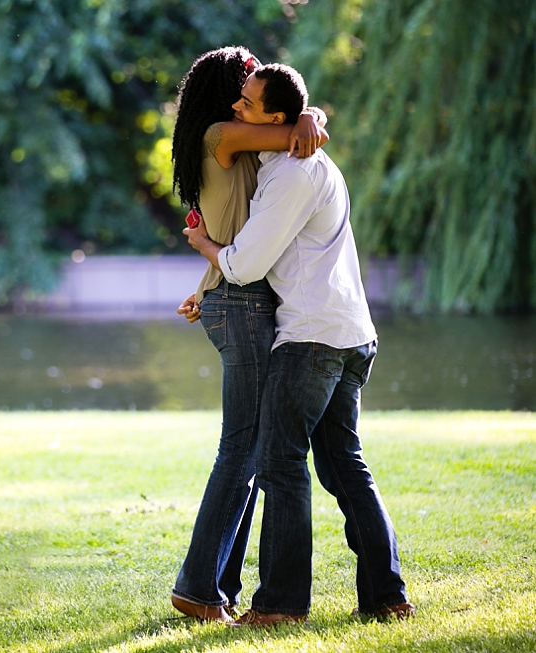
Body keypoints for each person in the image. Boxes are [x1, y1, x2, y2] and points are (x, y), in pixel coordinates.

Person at [184, 63, 414, 626]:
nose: (238, 109)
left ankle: (282, 605)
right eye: (237, 98)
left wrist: (206, 248)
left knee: (280, 464)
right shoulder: (300, 161)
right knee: (345, 467)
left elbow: (245, 264)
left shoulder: (292, 171)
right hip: (350, 333)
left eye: (248, 103)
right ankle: (387, 596)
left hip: (311, 337)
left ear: (277, 118)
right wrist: (312, 117)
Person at [168, 46, 328, 624]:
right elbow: (291, 132)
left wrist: (205, 278)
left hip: (233, 296)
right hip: (239, 302)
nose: (249, 93)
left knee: (251, 449)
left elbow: (233, 219)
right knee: (242, 447)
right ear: (226, 90)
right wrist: (310, 117)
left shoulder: (219, 139)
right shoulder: (223, 134)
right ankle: (198, 588)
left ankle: (217, 584)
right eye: (245, 82)